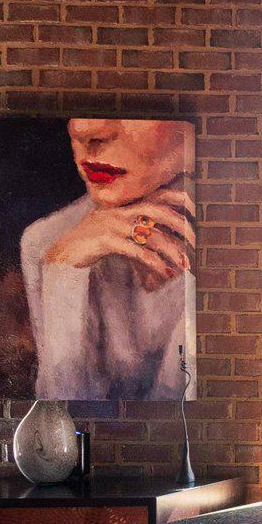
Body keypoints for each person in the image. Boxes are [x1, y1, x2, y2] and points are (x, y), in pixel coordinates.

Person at [21, 118, 196, 400]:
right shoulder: (48, 242)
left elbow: (181, 417)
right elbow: (64, 413)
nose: (84, 130)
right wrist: (62, 272)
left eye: (134, 109)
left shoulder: (230, 237)